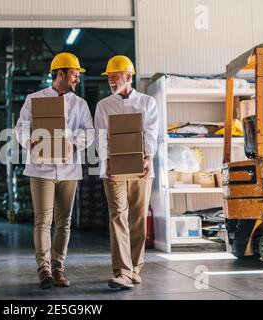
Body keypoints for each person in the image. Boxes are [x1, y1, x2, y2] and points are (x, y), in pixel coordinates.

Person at [14, 52, 94, 289]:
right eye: (74, 74)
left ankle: (58, 268)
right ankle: (44, 270)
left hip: (69, 170)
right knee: (42, 220)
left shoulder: (80, 104)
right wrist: (28, 141)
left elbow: (89, 132)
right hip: (41, 170)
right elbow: (20, 128)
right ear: (60, 73)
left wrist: (72, 143)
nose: (77, 79)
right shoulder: (34, 99)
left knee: (64, 222)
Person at [94, 55, 158, 289]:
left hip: (142, 169)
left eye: (115, 77)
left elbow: (151, 132)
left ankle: (134, 268)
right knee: (118, 217)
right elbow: (101, 137)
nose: (111, 81)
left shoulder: (147, 103)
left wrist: (148, 157)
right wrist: (107, 161)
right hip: (113, 170)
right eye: (109, 78)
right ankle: (122, 271)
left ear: (128, 77)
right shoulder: (103, 106)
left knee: (138, 219)